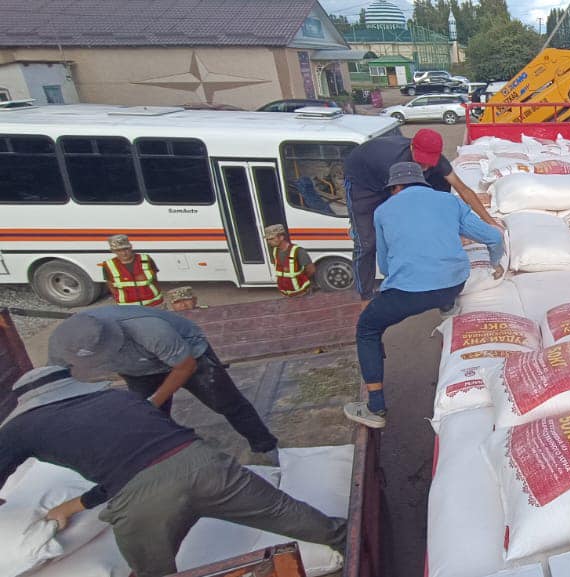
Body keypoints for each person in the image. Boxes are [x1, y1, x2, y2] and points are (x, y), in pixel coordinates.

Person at [0, 367, 346, 577]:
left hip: (144, 502)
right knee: (288, 514)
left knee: (153, 572)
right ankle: (346, 538)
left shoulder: (19, 429)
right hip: (205, 464)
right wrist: (73, 506)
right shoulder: (119, 399)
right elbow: (143, 456)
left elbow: (130, 473)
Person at [343, 162, 504, 429]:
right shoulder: (449, 201)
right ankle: (447, 306)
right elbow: (493, 237)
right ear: (422, 182)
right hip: (453, 285)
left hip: (408, 293)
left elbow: (385, 266)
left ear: (396, 187)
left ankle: (375, 407)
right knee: (445, 281)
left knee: (367, 328)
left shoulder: (382, 211)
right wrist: (494, 263)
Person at [48, 306, 278, 454]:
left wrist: (155, 400)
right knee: (148, 418)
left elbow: (185, 366)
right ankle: (174, 455)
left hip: (188, 355)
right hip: (138, 369)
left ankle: (265, 446)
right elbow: (56, 380)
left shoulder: (148, 329)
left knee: (227, 403)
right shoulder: (63, 344)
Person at [343, 129, 498, 302]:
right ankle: (366, 295)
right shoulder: (392, 163)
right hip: (363, 183)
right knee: (367, 242)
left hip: (399, 179)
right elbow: (399, 206)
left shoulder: (437, 162)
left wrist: (490, 222)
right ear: (411, 148)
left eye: (428, 162)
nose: (424, 167)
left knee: (434, 197)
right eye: (421, 161)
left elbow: (463, 190)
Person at [100, 234, 164, 307]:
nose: (123, 253)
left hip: (154, 303)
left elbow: (155, 279)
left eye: (126, 249)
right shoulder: (108, 265)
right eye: (119, 250)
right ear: (113, 251)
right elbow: (111, 286)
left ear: (131, 247)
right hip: (128, 308)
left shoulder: (146, 259)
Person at [264, 224, 316, 297]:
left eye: (271, 238)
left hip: (302, 294)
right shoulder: (275, 251)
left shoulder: (298, 251)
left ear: (281, 237)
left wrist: (300, 279)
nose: (269, 242)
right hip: (286, 294)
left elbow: (311, 270)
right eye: (267, 239)